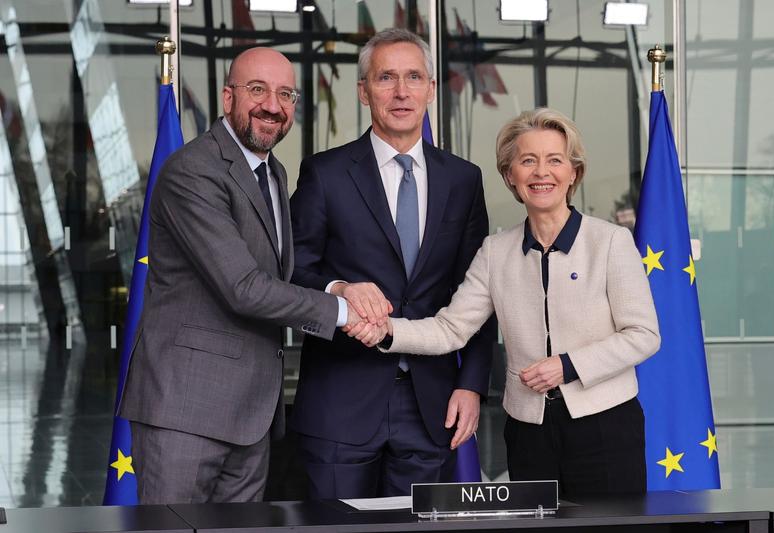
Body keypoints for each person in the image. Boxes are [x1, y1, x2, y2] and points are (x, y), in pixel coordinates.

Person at [353, 108, 661, 497]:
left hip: (606, 425)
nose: (541, 172)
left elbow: (644, 335)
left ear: (573, 173)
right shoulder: (495, 251)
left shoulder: (611, 242)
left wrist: (567, 366)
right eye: (527, 161)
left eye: (555, 160)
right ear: (510, 176)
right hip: (528, 430)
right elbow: (452, 328)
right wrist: (388, 330)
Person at [119, 47, 364, 504]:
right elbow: (244, 288)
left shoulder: (274, 174)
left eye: (285, 94)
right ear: (227, 97)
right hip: (185, 412)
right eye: (257, 90)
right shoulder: (193, 170)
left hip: (252, 417)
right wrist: (346, 312)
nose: (272, 105)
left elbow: (279, 276)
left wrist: (340, 287)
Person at [289, 28, 494, 499]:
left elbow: (480, 293)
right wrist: (340, 289)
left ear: (430, 90)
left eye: (413, 77)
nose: (401, 92)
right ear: (363, 92)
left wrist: (472, 385)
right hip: (340, 403)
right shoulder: (324, 173)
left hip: (432, 406)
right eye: (385, 78)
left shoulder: (463, 180)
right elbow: (292, 271)